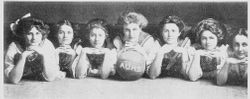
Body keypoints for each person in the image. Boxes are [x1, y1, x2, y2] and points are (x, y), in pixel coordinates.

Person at [4, 13, 65, 84]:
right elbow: (14, 80)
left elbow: (50, 78)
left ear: (42, 34)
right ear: (23, 34)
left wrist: (44, 55)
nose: (34, 38)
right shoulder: (14, 47)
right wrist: (23, 57)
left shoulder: (47, 44)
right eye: (29, 34)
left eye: (38, 33)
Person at [113, 11, 160, 78]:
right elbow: (113, 64)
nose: (131, 34)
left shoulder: (148, 40)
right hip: (123, 75)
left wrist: (141, 52)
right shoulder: (118, 40)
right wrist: (121, 51)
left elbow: (151, 67)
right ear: (123, 29)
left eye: (134, 29)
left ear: (140, 29)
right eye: (127, 30)